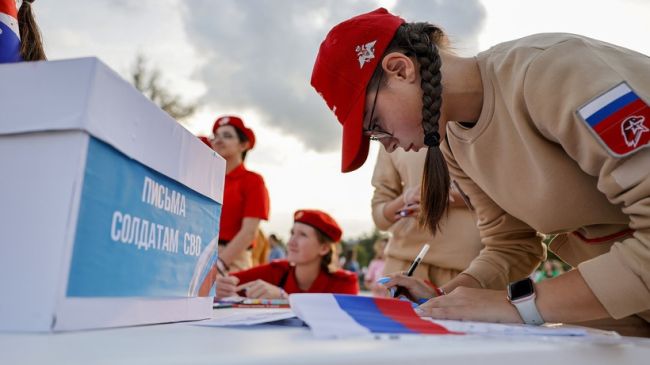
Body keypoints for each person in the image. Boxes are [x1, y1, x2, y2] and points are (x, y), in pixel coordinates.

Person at [311, 8, 650, 336]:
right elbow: (510, 245)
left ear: (400, 69)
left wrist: (515, 305)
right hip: (622, 303)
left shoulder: (550, 72)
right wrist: (445, 300)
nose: (388, 146)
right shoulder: (452, 142)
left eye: (375, 127)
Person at [371, 146, 483, 291]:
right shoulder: (388, 133)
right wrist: (406, 198)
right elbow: (379, 217)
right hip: (402, 266)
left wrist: (439, 197)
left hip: (469, 270)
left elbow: (506, 191)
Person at [215, 209, 359, 299]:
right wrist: (220, 287)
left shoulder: (344, 283)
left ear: (324, 248)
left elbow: (341, 316)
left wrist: (284, 298)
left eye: (302, 235)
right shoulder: (277, 271)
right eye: (292, 233)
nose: (291, 242)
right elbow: (228, 283)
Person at [210, 116, 270, 273]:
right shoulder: (206, 178)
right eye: (215, 136)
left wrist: (221, 264)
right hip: (198, 253)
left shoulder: (253, 181)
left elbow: (249, 232)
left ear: (243, 145)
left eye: (227, 136)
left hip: (232, 260)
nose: (218, 140)